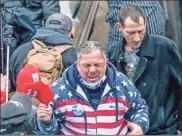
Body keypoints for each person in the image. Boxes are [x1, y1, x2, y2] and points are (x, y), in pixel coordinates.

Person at [36, 41, 149, 135]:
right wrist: (47, 121)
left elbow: (140, 108)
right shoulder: (59, 90)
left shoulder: (121, 83)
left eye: (97, 65)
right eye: (87, 65)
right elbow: (50, 132)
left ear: (105, 62)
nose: (92, 70)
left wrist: (140, 124)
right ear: (77, 64)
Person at [107, 5, 182, 134]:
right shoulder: (112, 54)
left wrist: (179, 126)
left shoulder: (164, 47)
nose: (137, 38)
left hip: (162, 130)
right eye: (131, 33)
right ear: (119, 27)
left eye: (140, 31)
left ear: (146, 22)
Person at [9, 13, 77, 92]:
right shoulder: (71, 54)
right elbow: (74, 84)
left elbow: (10, 79)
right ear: (69, 34)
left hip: (22, 100)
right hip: (52, 102)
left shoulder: (22, 50)